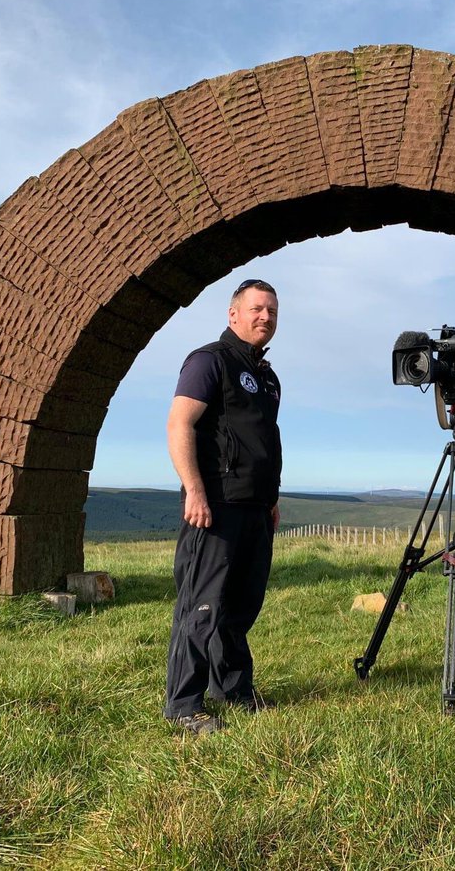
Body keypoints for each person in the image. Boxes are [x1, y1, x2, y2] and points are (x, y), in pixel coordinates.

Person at [163, 278, 282, 734]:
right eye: (257, 309)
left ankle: (232, 689)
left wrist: (271, 499)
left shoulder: (267, 377)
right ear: (233, 314)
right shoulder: (209, 360)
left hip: (256, 508)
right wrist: (194, 490)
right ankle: (183, 705)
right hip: (215, 505)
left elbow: (265, 441)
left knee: (241, 606)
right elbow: (180, 424)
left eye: (272, 311)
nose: (265, 317)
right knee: (202, 606)